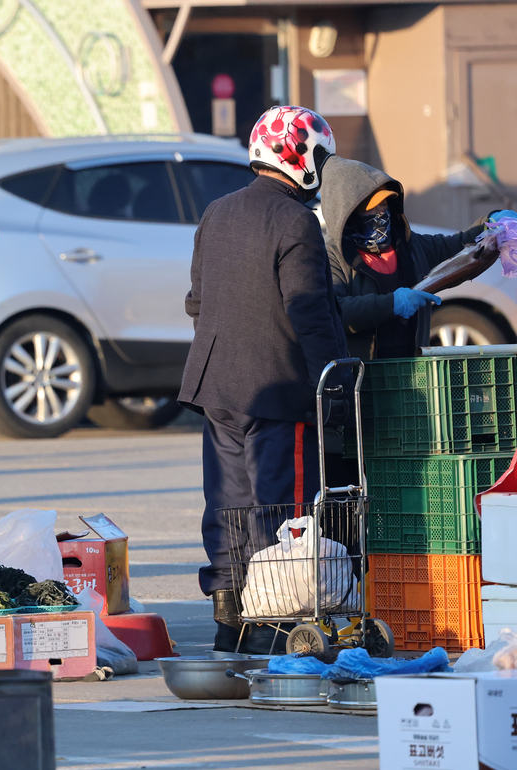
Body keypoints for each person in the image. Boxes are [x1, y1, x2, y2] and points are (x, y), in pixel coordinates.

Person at [178, 106, 350, 654]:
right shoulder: (295, 220)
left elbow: (195, 301)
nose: (320, 168)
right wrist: (334, 383)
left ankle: (230, 622)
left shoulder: (217, 212)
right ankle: (275, 629)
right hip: (278, 387)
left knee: (229, 504)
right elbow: (310, 313)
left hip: (217, 386)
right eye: (318, 156)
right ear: (298, 157)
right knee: (283, 512)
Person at [320, 155, 514, 360]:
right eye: (373, 207)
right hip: (362, 379)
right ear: (348, 212)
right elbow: (336, 311)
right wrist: (393, 303)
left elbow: (459, 246)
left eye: (385, 204)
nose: (382, 212)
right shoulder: (331, 257)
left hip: (412, 375)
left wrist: (492, 222)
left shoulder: (408, 245)